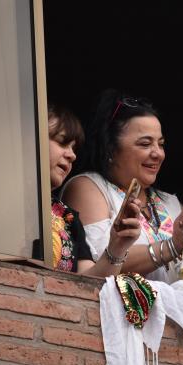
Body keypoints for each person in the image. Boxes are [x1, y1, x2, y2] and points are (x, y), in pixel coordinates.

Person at [63, 91, 183, 283]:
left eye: (161, 144)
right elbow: (102, 264)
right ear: (110, 148)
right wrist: (172, 246)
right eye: (145, 144)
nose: (158, 154)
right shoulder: (88, 187)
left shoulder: (171, 203)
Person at [40, 102, 141, 276]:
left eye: (74, 148)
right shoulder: (1, 197)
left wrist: (117, 247)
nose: (72, 155)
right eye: (62, 142)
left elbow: (88, 282)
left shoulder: (68, 217)